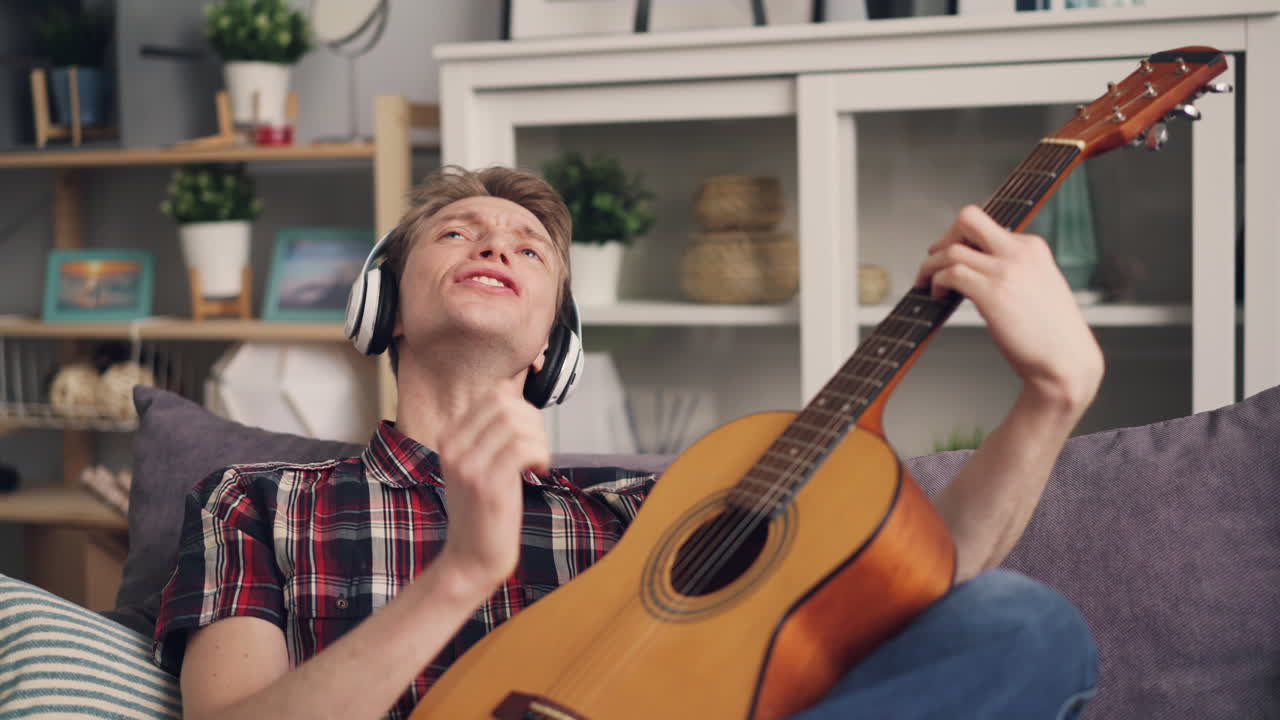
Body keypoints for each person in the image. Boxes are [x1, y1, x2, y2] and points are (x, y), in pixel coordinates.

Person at [154, 165, 1103, 720]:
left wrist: (1053, 396)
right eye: (458, 233)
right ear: (381, 306)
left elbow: (906, 578)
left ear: (552, 346)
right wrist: (462, 574)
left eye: (529, 249)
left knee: (1023, 622)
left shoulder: (653, 513)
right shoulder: (257, 499)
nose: (496, 247)